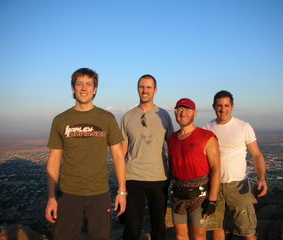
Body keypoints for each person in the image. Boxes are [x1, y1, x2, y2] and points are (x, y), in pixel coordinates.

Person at [45, 68, 127, 240]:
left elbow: (118, 157)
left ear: (95, 89)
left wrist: (122, 192)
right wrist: (51, 197)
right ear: (73, 88)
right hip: (67, 194)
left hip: (99, 194)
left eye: (89, 84)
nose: (84, 88)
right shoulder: (60, 120)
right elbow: (53, 160)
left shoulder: (106, 118)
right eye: (79, 84)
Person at [204, 90, 268, 240]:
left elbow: (257, 154)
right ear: (214, 107)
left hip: (238, 186)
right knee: (217, 227)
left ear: (232, 107)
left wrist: (262, 179)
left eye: (226, 105)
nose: (223, 109)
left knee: (247, 229)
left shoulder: (243, 127)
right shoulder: (206, 129)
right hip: (215, 186)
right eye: (219, 105)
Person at [120, 74, 174, 240]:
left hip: (159, 178)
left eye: (149, 87)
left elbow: (172, 146)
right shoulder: (127, 117)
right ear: (137, 89)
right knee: (132, 228)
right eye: (142, 87)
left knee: (158, 226)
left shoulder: (164, 115)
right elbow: (122, 152)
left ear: (155, 90)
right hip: (133, 177)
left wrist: (173, 176)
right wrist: (120, 185)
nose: (145, 90)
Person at [168, 98, 221, 240]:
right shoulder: (172, 139)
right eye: (179, 109)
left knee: (199, 236)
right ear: (175, 113)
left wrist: (212, 200)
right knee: (180, 235)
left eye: (187, 109)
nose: (183, 112)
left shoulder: (207, 137)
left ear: (195, 113)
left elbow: (216, 168)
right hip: (178, 195)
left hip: (200, 196)